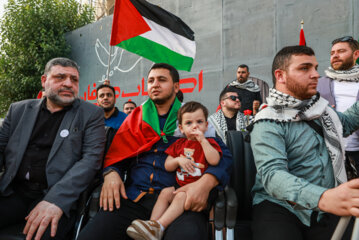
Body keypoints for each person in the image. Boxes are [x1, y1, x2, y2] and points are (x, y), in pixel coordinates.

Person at [78, 63, 232, 240]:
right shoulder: (135, 118)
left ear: (176, 87)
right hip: (133, 199)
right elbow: (117, 156)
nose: (155, 84)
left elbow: (224, 157)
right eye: (151, 80)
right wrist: (111, 173)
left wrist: (206, 183)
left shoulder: (191, 119)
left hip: (179, 202)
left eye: (162, 80)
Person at [250, 45, 359, 240]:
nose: (315, 74)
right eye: (304, 68)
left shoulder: (324, 111)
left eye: (316, 68)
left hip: (328, 206)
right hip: (280, 207)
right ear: (280, 75)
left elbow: (348, 122)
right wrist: (323, 198)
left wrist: (327, 199)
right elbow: (272, 175)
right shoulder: (267, 120)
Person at [0, 57, 105, 240]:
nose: (68, 84)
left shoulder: (91, 114)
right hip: (12, 191)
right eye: (60, 77)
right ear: (44, 81)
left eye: (74, 80)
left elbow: (90, 160)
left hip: (55, 195)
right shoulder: (18, 110)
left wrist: (55, 200)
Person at [126, 101, 222, 240]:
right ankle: (151, 226)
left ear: (207, 126)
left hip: (200, 191)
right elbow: (167, 165)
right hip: (180, 186)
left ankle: (160, 225)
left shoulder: (211, 142)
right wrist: (178, 160)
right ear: (181, 128)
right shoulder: (179, 144)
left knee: (180, 196)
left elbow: (214, 160)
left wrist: (203, 141)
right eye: (189, 123)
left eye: (199, 122)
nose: (195, 126)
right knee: (166, 192)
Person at [317, 36, 359, 174]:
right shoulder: (319, 83)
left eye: (341, 51)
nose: (335, 56)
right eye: (332, 53)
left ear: (356, 54)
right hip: (329, 154)